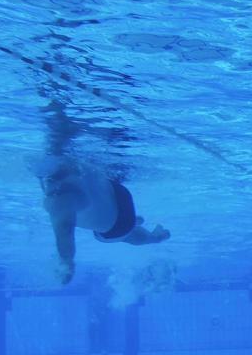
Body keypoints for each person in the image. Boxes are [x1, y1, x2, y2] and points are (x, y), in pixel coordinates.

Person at [36, 101, 168, 285]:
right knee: (128, 234)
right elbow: (64, 230)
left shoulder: (58, 188)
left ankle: (153, 236)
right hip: (117, 215)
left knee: (128, 235)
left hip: (113, 203)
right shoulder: (63, 193)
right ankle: (154, 237)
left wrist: (67, 262)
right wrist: (66, 262)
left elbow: (65, 229)